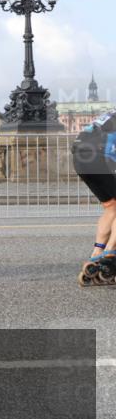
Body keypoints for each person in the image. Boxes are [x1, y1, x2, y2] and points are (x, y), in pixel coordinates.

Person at [73, 106, 116, 286]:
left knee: (111, 206)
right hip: (100, 156)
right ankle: (110, 254)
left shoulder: (110, 113)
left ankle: (96, 255)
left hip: (79, 157)